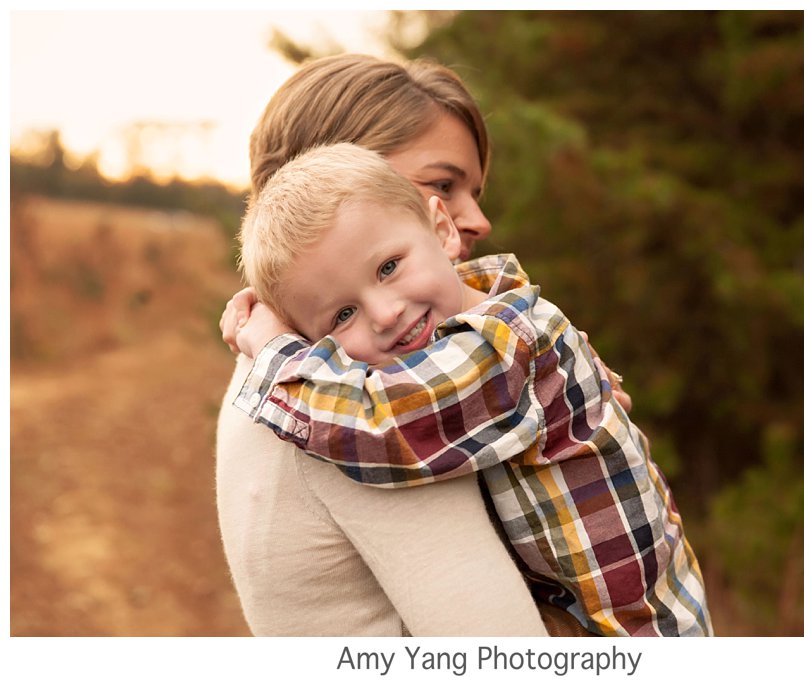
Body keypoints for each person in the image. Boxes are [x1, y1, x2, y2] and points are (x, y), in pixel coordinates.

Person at [230, 142, 713, 637]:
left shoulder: (507, 342)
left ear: (441, 231)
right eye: (343, 314)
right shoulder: (469, 325)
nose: (385, 313)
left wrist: (273, 352)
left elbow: (380, 423)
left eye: (389, 267)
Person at [217, 54, 562, 636]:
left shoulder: (295, 372)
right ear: (335, 172)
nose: (476, 219)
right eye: (444, 183)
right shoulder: (345, 405)